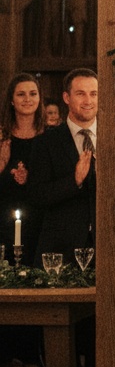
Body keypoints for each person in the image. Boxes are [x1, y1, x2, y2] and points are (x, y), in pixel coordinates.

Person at [30, 68, 98, 266]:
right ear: (66, 97)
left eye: (93, 94)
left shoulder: (114, 139)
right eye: (81, 94)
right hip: (62, 250)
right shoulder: (46, 142)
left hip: (107, 250)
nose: (88, 101)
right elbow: (37, 195)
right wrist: (74, 180)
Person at [0, 72, 46, 262]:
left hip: (41, 219)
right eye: (21, 94)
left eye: (33, 93)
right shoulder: (2, 136)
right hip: (4, 216)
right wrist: (2, 164)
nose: (28, 99)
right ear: (11, 100)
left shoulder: (51, 137)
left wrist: (30, 177)